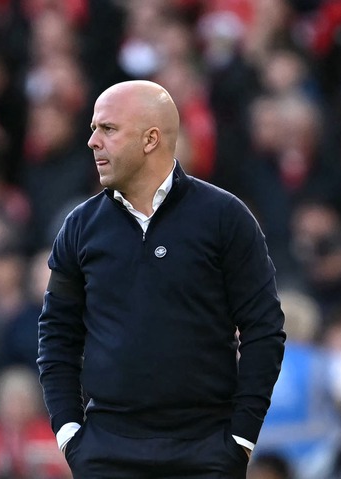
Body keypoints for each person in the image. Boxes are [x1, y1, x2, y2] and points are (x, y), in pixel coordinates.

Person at [37, 80, 286, 479]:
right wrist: (69, 431)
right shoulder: (80, 226)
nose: (92, 142)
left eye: (108, 129)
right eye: (92, 129)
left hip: (205, 450)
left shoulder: (226, 218)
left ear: (151, 139)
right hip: (106, 451)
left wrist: (241, 437)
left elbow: (265, 329)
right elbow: (56, 333)